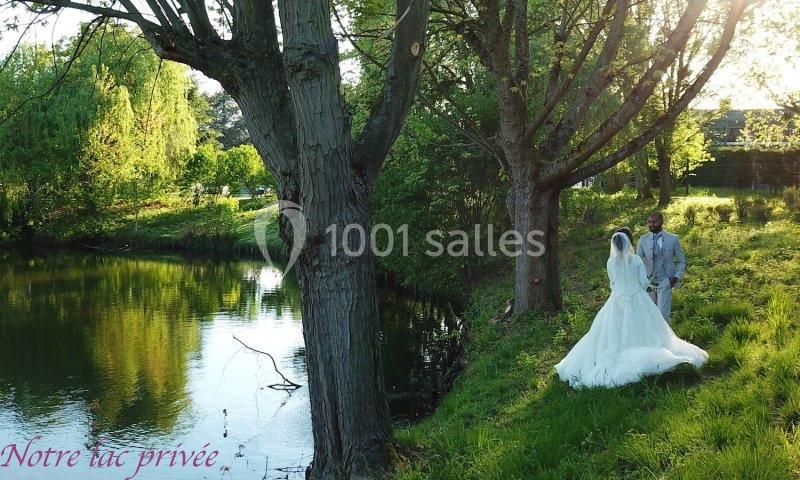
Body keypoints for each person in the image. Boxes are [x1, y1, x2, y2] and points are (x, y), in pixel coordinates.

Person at [554, 232, 707, 389]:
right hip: (636, 297)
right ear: (628, 244)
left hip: (616, 300)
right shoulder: (635, 260)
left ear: (613, 245)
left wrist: (620, 291)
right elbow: (643, 282)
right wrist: (637, 290)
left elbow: (612, 283)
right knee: (646, 327)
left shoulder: (610, 262)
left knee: (611, 331)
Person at [636, 212, 686, 323]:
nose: (651, 224)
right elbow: (637, 261)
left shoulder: (673, 239)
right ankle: (652, 339)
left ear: (661, 222)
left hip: (666, 281)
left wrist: (676, 277)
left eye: (654, 222)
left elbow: (681, 261)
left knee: (663, 315)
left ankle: (666, 339)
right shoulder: (643, 239)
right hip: (649, 281)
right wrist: (641, 280)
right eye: (649, 222)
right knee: (650, 314)